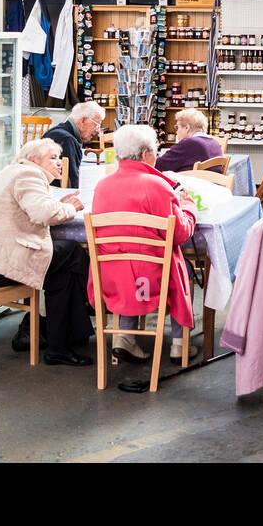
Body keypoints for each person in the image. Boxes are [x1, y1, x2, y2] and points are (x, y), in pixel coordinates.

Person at [89, 124, 199, 362]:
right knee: (185, 269)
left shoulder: (102, 186)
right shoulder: (157, 186)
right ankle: (179, 343)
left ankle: (125, 336)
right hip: (150, 278)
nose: (157, 156)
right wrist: (189, 206)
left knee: (129, 259)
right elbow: (179, 234)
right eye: (154, 151)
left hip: (109, 276)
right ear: (143, 154)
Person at [0, 138, 93, 366]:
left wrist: (58, 204)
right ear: (33, 160)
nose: (59, 163)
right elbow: (44, 214)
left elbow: (34, 207)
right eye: (52, 158)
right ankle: (77, 324)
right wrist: (70, 207)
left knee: (62, 273)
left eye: (59, 158)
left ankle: (55, 340)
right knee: (73, 253)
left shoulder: (13, 172)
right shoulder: (28, 175)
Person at [44, 101, 104, 188]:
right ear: (83, 120)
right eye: (97, 125)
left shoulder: (58, 132)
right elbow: (72, 183)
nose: (97, 130)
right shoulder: (67, 140)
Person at [155, 108, 222, 174]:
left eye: (177, 127)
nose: (176, 132)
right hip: (212, 184)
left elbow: (158, 166)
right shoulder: (215, 143)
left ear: (187, 128)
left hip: (191, 184)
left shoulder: (188, 144)